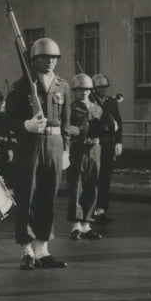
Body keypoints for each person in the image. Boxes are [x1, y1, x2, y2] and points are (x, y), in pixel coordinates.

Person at [5, 37, 71, 270]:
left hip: (54, 143)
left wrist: (66, 151)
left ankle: (43, 249)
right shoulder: (21, 85)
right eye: (45, 58)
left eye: (54, 58)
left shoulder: (62, 85)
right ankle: (26, 249)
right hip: (30, 144)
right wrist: (25, 125)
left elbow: (66, 121)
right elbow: (8, 119)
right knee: (27, 196)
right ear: (33, 60)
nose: (51, 61)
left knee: (48, 196)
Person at [66, 74, 104, 241]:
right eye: (80, 89)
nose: (84, 92)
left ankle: (86, 224)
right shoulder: (71, 108)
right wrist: (73, 130)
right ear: (75, 91)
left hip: (95, 148)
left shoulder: (97, 108)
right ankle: (75, 225)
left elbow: (105, 128)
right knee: (76, 185)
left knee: (92, 185)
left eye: (87, 89)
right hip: (78, 149)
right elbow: (65, 127)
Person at [90, 73, 122, 224]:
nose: (103, 90)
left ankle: (101, 209)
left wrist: (118, 142)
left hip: (109, 142)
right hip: (95, 141)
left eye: (105, 87)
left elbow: (119, 122)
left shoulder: (112, 102)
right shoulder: (89, 100)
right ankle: (90, 209)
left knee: (106, 176)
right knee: (93, 176)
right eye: (100, 87)